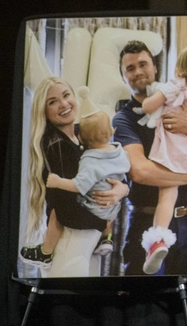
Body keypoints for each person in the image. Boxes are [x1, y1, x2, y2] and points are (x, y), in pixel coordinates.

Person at [20, 78, 130, 275]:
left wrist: (122, 189)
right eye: (52, 102)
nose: (63, 104)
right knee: (68, 292)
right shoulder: (56, 144)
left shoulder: (85, 133)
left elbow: (112, 165)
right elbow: (68, 200)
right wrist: (103, 219)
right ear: (43, 111)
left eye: (66, 95)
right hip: (72, 236)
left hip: (89, 238)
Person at [113, 40, 187, 276]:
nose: (138, 72)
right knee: (144, 296)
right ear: (123, 77)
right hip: (147, 222)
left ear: (155, 67)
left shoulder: (184, 102)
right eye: (130, 68)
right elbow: (140, 171)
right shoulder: (124, 120)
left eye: (143, 64)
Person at [45, 106, 131, 255]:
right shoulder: (120, 152)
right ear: (112, 131)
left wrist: (57, 182)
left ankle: (45, 251)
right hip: (114, 208)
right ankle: (107, 239)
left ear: (81, 139)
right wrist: (124, 188)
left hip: (94, 209)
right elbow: (125, 173)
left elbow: (78, 185)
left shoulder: (90, 160)